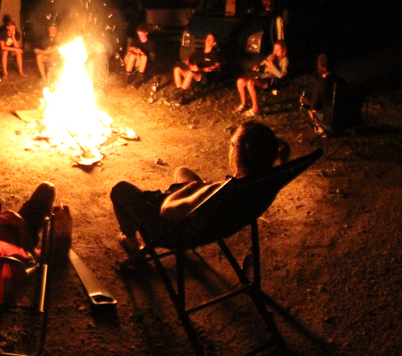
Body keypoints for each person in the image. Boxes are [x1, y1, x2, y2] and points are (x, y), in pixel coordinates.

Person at [110, 121, 289, 254]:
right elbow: (283, 148)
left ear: (237, 153)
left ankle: (131, 242)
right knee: (182, 171)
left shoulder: (218, 190)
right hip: (214, 222)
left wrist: (187, 191)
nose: (230, 147)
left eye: (232, 144)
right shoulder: (267, 181)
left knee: (120, 189)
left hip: (175, 228)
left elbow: (166, 211)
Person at [236, 41, 289, 116]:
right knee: (240, 81)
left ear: (283, 50)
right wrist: (258, 67)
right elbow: (262, 65)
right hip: (262, 77)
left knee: (250, 82)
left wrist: (272, 67)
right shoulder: (271, 56)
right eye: (275, 49)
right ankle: (243, 104)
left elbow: (281, 75)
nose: (276, 52)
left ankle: (255, 109)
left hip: (271, 81)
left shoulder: (284, 60)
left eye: (278, 50)